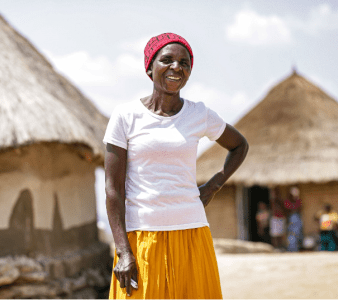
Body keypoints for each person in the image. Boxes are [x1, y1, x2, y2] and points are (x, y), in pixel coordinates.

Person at [104, 33, 249, 300]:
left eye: (184, 63)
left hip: (192, 231)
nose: (176, 67)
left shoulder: (199, 114)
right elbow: (113, 188)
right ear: (150, 67)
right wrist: (123, 250)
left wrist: (213, 186)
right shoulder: (125, 116)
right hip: (143, 236)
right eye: (167, 60)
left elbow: (239, 145)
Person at [284, 187, 303, 252]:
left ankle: (296, 248)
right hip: (291, 219)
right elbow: (288, 209)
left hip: (297, 218)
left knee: (298, 233)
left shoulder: (298, 201)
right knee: (292, 234)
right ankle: (291, 248)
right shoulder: (287, 201)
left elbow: (299, 208)